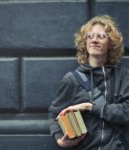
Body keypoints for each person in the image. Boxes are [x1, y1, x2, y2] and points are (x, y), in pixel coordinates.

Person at [48, 15, 129, 150]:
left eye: (101, 36)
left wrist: (89, 107)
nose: (94, 40)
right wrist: (60, 140)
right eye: (90, 36)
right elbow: (54, 114)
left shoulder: (123, 76)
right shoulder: (72, 79)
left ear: (111, 43)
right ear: (84, 42)